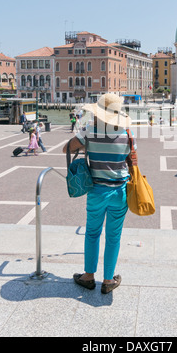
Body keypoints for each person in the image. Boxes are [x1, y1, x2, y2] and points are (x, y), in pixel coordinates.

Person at [63, 93, 136, 294]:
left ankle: (88, 276)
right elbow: (131, 158)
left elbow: (66, 149)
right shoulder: (127, 133)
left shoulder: (89, 132)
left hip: (96, 190)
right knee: (114, 236)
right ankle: (108, 280)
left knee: (92, 233)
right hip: (120, 191)